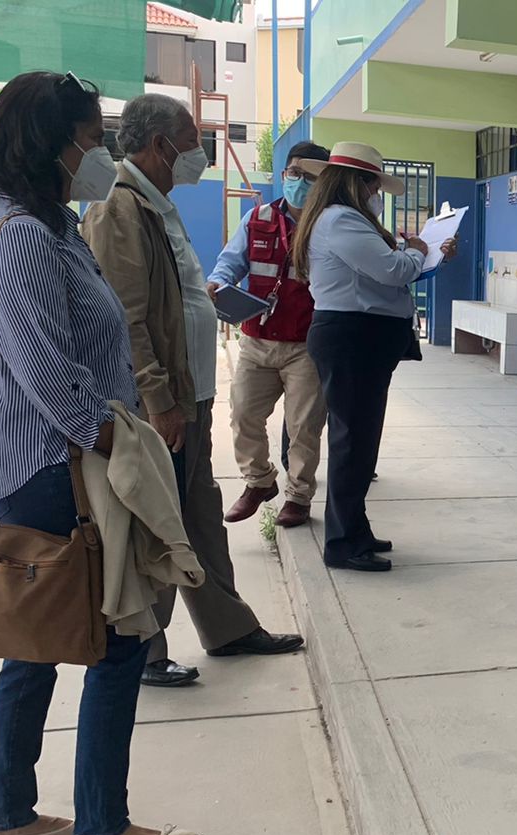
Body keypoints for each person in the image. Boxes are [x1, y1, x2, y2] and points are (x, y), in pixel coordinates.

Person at [0, 70, 198, 835]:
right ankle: (102, 826)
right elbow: (45, 374)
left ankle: (8, 813)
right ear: (52, 140)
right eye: (91, 137)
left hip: (42, 462)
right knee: (121, 633)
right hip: (57, 467)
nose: (99, 151)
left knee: (35, 640)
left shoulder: (38, 224)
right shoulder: (22, 234)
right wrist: (119, 445)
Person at [81, 93, 303, 686]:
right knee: (157, 521)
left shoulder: (157, 204)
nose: (197, 156)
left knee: (199, 513)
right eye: (191, 144)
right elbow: (124, 318)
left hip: (191, 395)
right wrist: (158, 400)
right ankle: (144, 651)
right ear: (160, 147)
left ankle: (228, 628)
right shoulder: (118, 211)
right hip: (164, 404)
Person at [291, 141, 457, 572]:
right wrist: (419, 249)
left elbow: (389, 269)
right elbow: (393, 270)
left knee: (360, 443)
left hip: (360, 340)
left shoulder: (342, 220)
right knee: (351, 444)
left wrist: (425, 255)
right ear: (358, 183)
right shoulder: (342, 219)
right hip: (353, 339)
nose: (376, 194)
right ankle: (344, 544)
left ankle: (355, 529)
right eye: (373, 185)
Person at [207, 140, 331, 530]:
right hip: (257, 340)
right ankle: (259, 482)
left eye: (310, 177)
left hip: (307, 345)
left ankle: (298, 496)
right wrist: (217, 284)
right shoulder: (258, 218)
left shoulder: (332, 225)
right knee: (242, 414)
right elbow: (230, 263)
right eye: (294, 173)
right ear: (284, 175)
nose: (299, 182)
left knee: (304, 428)